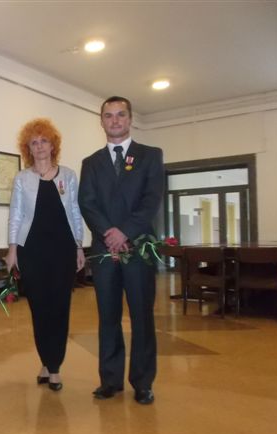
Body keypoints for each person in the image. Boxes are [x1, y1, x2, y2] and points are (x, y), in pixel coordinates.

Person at [78, 96, 164, 405]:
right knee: (108, 316)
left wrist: (124, 231)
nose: (115, 120)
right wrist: (109, 234)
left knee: (142, 317)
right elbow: (87, 203)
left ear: (130, 119)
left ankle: (143, 382)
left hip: (138, 248)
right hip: (105, 252)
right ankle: (110, 380)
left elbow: (151, 200)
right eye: (109, 115)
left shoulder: (150, 156)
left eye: (120, 114)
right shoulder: (91, 163)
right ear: (101, 121)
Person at [5, 118, 85, 392]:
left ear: (53, 145)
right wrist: (12, 248)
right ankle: (47, 362)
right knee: (39, 310)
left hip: (63, 250)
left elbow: (75, 212)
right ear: (28, 148)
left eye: (44, 141)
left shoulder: (68, 176)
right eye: (34, 142)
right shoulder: (22, 179)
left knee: (60, 309)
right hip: (32, 252)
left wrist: (79, 245)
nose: (39, 146)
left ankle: (54, 367)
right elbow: (16, 215)